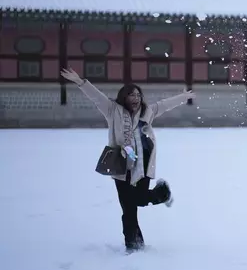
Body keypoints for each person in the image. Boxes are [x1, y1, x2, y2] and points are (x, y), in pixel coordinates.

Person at [61, 68, 196, 253]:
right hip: (122, 166)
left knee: (139, 200)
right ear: (124, 97)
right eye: (132, 95)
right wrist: (79, 81)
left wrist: (183, 97)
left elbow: (164, 105)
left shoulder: (148, 111)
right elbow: (96, 96)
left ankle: (162, 194)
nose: (136, 98)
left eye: (138, 95)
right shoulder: (112, 110)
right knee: (128, 209)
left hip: (143, 165)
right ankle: (133, 245)